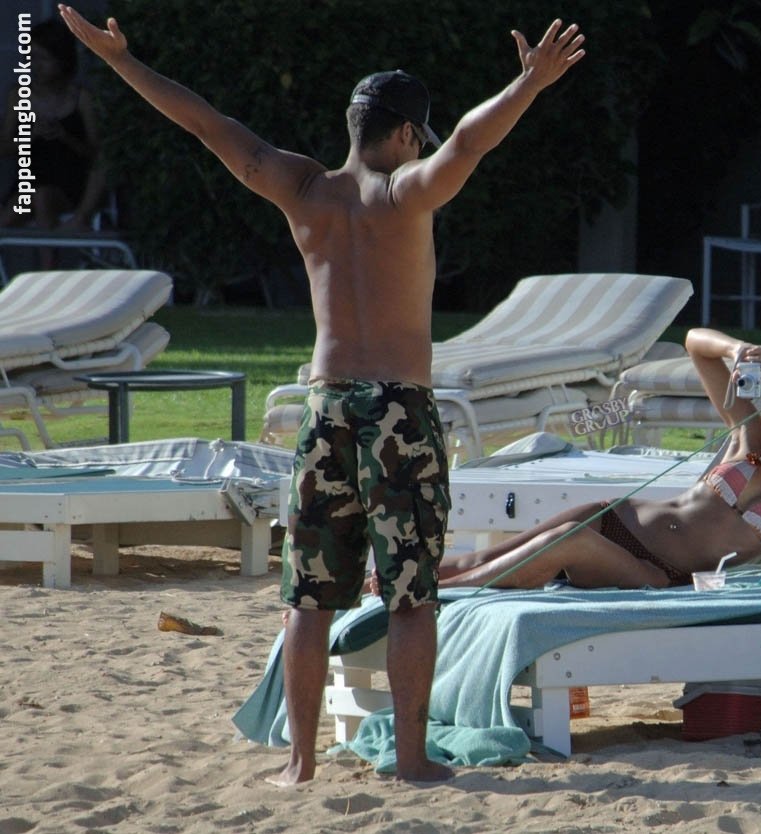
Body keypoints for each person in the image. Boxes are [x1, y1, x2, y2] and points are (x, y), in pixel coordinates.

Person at [58, 5, 584, 785]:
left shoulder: (302, 189)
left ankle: (299, 763)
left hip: (325, 406)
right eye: (419, 138)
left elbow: (207, 124)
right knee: (411, 598)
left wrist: (122, 62)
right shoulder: (405, 195)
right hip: (399, 410)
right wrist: (528, 85)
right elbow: (472, 142)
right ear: (404, 134)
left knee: (308, 598)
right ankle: (412, 760)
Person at [439, 327, 761, 589]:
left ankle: (440, 596)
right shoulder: (752, 441)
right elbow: (696, 344)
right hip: (615, 517)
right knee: (478, 559)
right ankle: (409, 582)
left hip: (659, 571)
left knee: (566, 540)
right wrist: (737, 349)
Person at [1, 18, 107, 253]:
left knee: (42, 196)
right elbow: (4, 147)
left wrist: (64, 136)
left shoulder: (81, 98)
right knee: (23, 203)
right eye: (31, 58)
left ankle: (48, 267)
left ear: (61, 60)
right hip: (29, 180)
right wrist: (29, 136)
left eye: (43, 58)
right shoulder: (19, 96)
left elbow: (96, 152)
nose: (35, 66)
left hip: (67, 181)